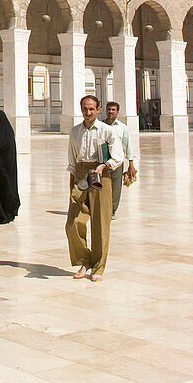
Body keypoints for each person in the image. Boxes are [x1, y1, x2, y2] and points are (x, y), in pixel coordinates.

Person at [65, 95, 123, 282]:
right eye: (84, 109)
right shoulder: (75, 132)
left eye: (91, 109)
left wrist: (104, 166)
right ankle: (85, 259)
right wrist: (72, 185)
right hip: (81, 174)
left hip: (100, 175)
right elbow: (72, 161)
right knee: (72, 223)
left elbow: (117, 156)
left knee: (100, 224)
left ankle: (98, 266)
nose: (88, 113)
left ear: (98, 110)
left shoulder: (107, 131)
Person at [104, 101, 137, 218]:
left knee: (116, 187)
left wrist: (131, 164)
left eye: (113, 110)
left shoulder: (123, 128)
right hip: (103, 161)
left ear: (117, 112)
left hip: (117, 162)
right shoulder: (100, 125)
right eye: (109, 109)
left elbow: (128, 146)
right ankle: (101, 209)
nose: (110, 112)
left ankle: (112, 210)